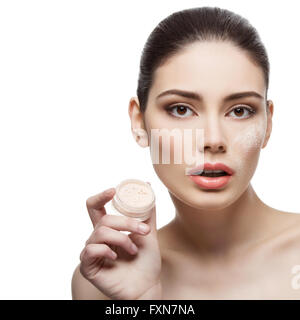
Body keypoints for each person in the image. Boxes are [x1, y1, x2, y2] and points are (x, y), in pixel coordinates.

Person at [71, 6, 300, 299]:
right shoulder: (101, 281)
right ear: (139, 122)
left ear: (268, 124)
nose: (213, 140)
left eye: (240, 110)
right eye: (181, 109)